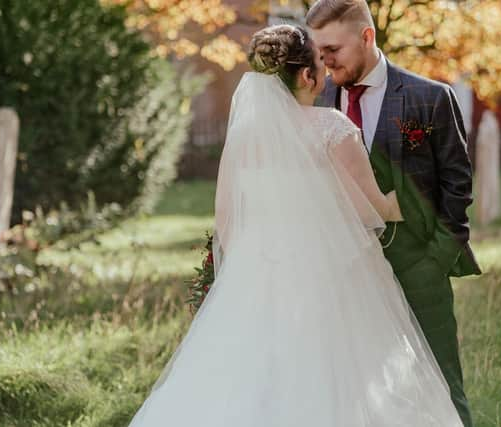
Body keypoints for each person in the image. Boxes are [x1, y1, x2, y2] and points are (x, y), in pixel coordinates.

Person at [128, 24, 463, 427]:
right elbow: (372, 210)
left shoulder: (245, 138)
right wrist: (417, 190)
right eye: (320, 64)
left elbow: (226, 225)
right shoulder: (333, 127)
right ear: (307, 76)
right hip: (332, 279)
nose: (325, 73)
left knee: (250, 384)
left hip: (255, 282)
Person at [306, 1, 482, 425]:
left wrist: (435, 261)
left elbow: (456, 188)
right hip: (345, 279)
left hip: (419, 265)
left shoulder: (430, 97)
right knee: (356, 391)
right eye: (318, 51)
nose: (324, 62)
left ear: (366, 37)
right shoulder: (313, 102)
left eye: (333, 49)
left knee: (442, 384)